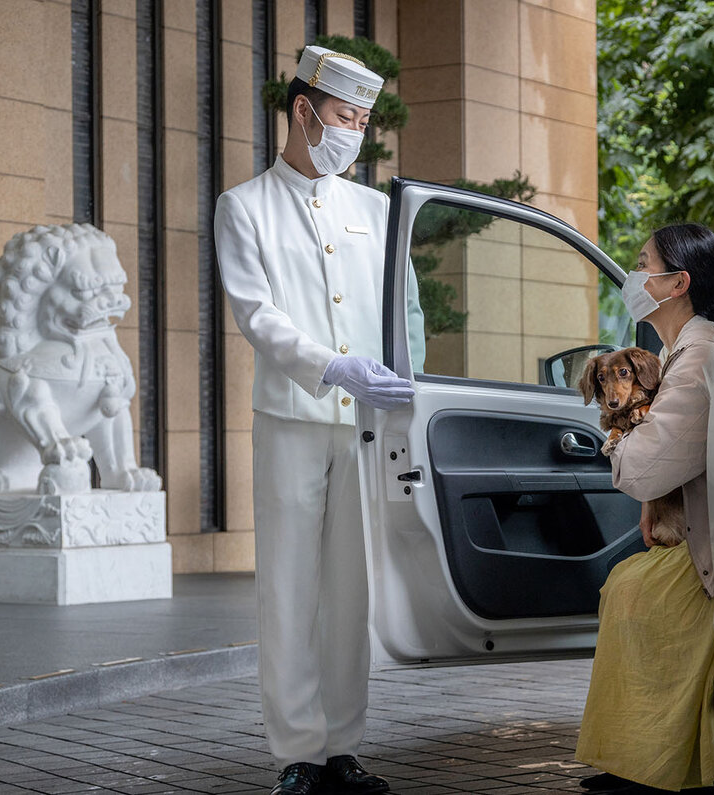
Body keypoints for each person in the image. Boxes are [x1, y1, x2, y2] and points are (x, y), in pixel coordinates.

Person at [214, 44, 424, 795]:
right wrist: (331, 365)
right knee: (291, 587)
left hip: (364, 426)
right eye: (345, 117)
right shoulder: (243, 206)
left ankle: (343, 746)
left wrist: (408, 382)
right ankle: (296, 753)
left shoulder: (373, 209)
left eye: (365, 121)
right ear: (303, 111)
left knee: (350, 592)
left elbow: (405, 312)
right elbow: (256, 313)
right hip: (292, 417)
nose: (356, 133)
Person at [574, 224, 714, 794]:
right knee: (625, 583)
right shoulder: (676, 352)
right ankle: (636, 757)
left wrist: (616, 444)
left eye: (644, 263)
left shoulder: (696, 359)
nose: (634, 275)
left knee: (631, 591)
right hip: (694, 527)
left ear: (677, 283)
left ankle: (657, 762)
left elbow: (645, 463)